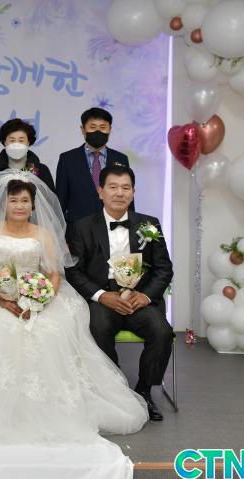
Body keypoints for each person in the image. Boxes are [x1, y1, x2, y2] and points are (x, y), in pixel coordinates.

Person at [0, 170, 148, 443]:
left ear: (33, 205)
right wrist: (1, 300)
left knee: (54, 333)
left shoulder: (43, 233)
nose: (19, 206)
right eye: (13, 200)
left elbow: (54, 273)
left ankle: (49, 410)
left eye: (24, 201)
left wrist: (41, 299)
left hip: (36, 296)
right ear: (4, 204)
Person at [66, 164, 174, 421]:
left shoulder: (149, 224)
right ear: (100, 192)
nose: (119, 193)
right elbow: (73, 271)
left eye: (126, 187)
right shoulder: (82, 226)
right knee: (97, 329)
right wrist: (102, 295)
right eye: (113, 187)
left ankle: (144, 392)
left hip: (139, 300)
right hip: (104, 299)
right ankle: (113, 390)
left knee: (162, 332)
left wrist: (145, 296)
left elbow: (164, 269)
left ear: (133, 192)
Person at [55, 107, 130, 235]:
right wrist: (60, 235)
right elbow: (60, 200)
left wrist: (130, 228)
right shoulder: (67, 159)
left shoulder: (121, 158)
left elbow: (127, 195)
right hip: (77, 230)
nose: (98, 131)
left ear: (110, 129)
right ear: (83, 130)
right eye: (92, 127)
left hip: (113, 228)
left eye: (103, 127)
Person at [0, 118, 54, 191]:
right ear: (4, 142)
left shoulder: (42, 170)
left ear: (28, 142)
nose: (16, 144)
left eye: (21, 140)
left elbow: (50, 197)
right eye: (12, 140)